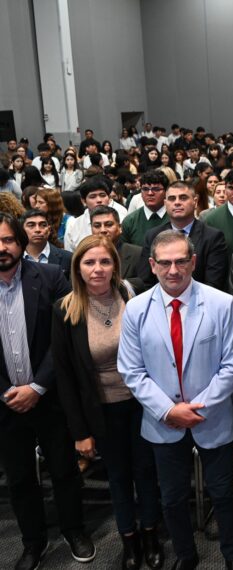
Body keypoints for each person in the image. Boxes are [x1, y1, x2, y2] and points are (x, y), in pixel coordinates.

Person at [118, 230, 233, 569]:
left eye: (180, 261)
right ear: (152, 265)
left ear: (193, 261)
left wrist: (197, 408)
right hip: (163, 422)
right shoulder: (134, 310)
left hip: (211, 416)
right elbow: (131, 371)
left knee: (223, 492)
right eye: (164, 263)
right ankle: (186, 555)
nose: (173, 270)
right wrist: (169, 410)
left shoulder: (221, 303)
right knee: (172, 497)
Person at [51, 235, 163, 570]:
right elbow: (66, 378)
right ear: (78, 268)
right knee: (117, 478)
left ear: (115, 265)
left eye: (104, 261)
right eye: (89, 262)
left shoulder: (134, 295)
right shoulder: (65, 310)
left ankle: (151, 536)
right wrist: (80, 432)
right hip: (101, 410)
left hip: (142, 405)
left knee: (146, 474)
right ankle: (129, 541)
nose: (97, 269)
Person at [0, 213, 96, 570]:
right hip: (6, 403)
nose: (2, 248)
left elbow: (65, 341)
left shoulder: (53, 277)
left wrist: (37, 386)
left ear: (21, 243)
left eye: (8, 240)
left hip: (50, 397)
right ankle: (33, 543)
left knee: (64, 470)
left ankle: (74, 531)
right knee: (21, 478)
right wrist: (9, 392)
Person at [138, 181, 228, 290]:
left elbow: (213, 283)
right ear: (165, 203)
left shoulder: (213, 237)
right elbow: (145, 281)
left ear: (195, 201)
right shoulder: (152, 236)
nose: (177, 203)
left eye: (183, 198)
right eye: (172, 199)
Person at [121, 170, 168, 247]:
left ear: (166, 192)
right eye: (145, 189)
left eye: (156, 189)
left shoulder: (176, 217)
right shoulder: (130, 221)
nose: (150, 193)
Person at [21, 208, 72, 278]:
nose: (37, 230)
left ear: (49, 230)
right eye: (31, 225)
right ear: (22, 230)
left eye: (43, 225)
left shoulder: (67, 258)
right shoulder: (15, 258)